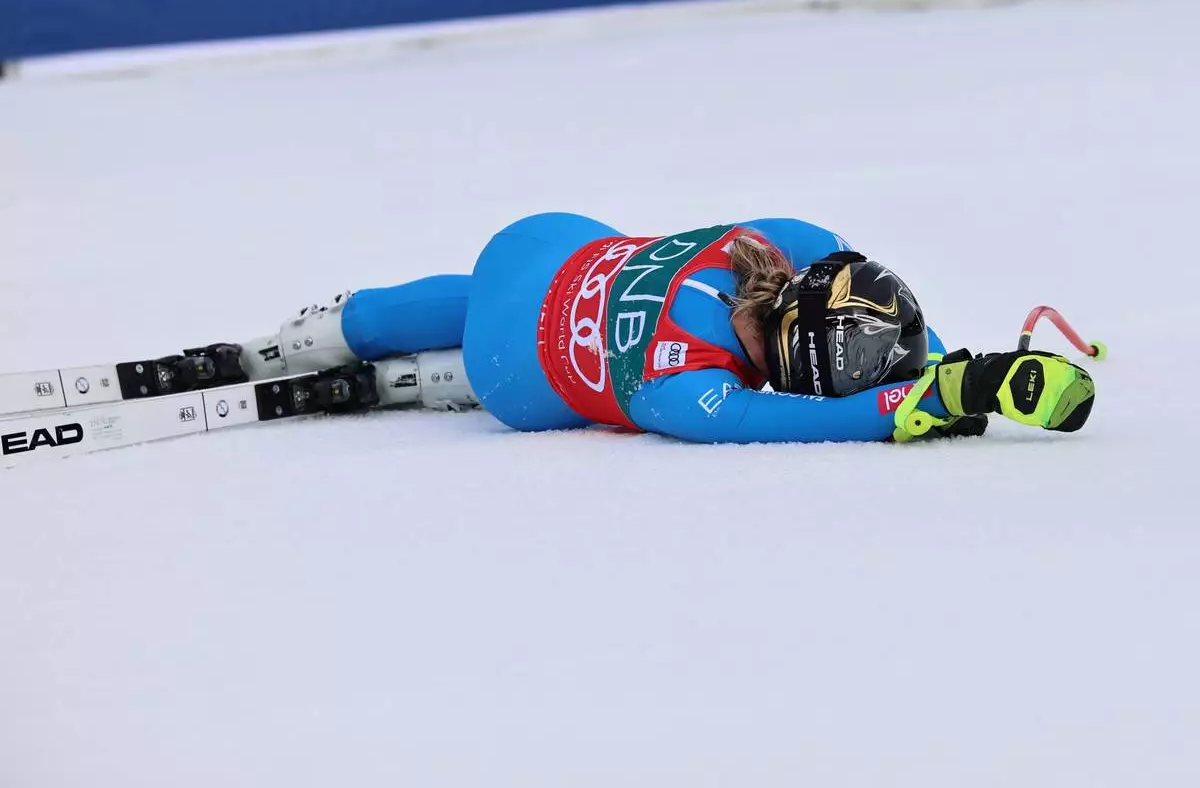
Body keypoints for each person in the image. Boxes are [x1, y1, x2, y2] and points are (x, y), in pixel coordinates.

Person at [230, 212, 1095, 443]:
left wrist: (946, 365)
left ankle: (338, 326)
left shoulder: (774, 245)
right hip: (509, 372)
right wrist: (930, 396)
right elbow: (789, 418)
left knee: (498, 298)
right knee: (522, 362)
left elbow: (855, 284)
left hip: (545, 242)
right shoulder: (686, 387)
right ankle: (416, 379)